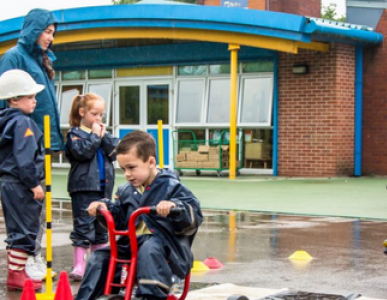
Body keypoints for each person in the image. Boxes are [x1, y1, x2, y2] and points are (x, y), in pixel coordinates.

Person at [75, 130, 203, 300]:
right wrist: (103, 207)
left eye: (132, 167)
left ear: (151, 162)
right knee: (100, 258)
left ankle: (151, 296)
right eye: (123, 169)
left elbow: (193, 212)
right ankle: (87, 297)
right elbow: (120, 218)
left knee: (149, 248)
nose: (127, 174)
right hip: (131, 246)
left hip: (166, 248)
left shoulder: (171, 186)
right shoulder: (126, 190)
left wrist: (174, 206)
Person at [0, 8, 64, 280]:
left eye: (52, 33)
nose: (49, 37)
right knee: (30, 203)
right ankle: (30, 257)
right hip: (25, 139)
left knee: (38, 204)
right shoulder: (15, 56)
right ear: (32, 30)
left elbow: (45, 103)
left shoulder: (43, 60)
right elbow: (7, 92)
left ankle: (32, 254)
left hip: (42, 138)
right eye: (45, 31)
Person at [65, 93, 119, 281]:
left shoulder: (102, 134)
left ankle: (99, 262)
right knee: (83, 225)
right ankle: (79, 264)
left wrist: (103, 136)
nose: (98, 119)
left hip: (103, 188)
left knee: (101, 227)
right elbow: (83, 153)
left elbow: (114, 152)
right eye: (94, 114)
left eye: (101, 115)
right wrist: (95, 135)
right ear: (82, 113)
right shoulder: (75, 134)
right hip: (83, 188)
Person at [0, 69, 46, 291]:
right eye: (30, 96)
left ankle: (17, 272)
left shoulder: (7, 120)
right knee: (26, 227)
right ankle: (17, 275)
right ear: (14, 99)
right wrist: (34, 184)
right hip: (20, 183)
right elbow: (25, 157)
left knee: (16, 227)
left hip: (9, 183)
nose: (35, 101)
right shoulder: (23, 123)